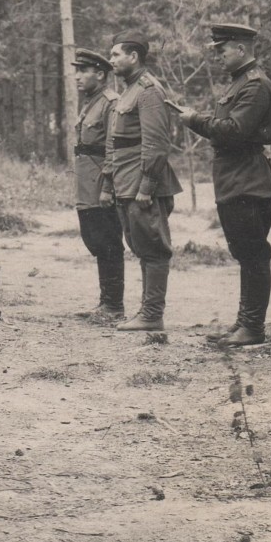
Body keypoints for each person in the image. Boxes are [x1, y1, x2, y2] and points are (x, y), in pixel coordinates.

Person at [178, 23, 271, 348]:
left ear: (241, 48)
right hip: (235, 179)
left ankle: (252, 327)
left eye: (222, 50)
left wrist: (195, 120)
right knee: (244, 253)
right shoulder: (239, 83)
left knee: (252, 254)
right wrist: (198, 120)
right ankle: (244, 322)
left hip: (248, 181)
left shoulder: (255, 85)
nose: (218, 56)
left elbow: (234, 131)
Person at [101, 33, 181, 333]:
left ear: (133, 57)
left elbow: (157, 144)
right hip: (126, 182)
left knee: (154, 247)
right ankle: (147, 311)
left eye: (116, 54)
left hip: (142, 184)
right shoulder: (129, 91)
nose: (111, 59)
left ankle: (152, 314)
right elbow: (116, 143)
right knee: (141, 245)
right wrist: (109, 183)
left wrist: (146, 187)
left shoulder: (148, 90)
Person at [71, 49, 125, 321]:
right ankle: (105, 302)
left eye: (83, 71)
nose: (77, 76)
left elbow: (113, 147)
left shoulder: (110, 102)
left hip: (100, 186)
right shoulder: (91, 101)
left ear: (101, 75)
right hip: (86, 185)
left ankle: (114, 306)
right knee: (94, 240)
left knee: (108, 242)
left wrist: (108, 187)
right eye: (76, 70)